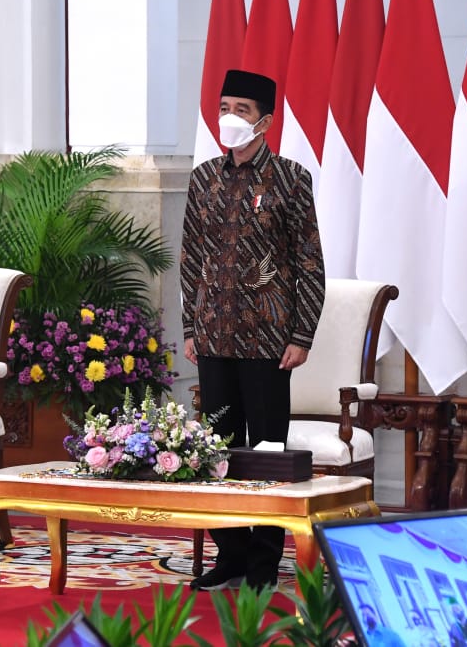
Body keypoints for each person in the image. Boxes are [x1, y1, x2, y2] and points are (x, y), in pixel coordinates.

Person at [181, 69, 325, 591]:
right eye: (224, 107)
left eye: (241, 110)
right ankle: (232, 555)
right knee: (216, 450)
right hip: (214, 336)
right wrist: (190, 327)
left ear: (265, 120)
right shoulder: (203, 179)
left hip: (268, 341)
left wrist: (301, 334)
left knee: (266, 453)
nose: (230, 119)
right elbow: (191, 257)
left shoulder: (291, 178)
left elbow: (309, 262)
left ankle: (265, 562)